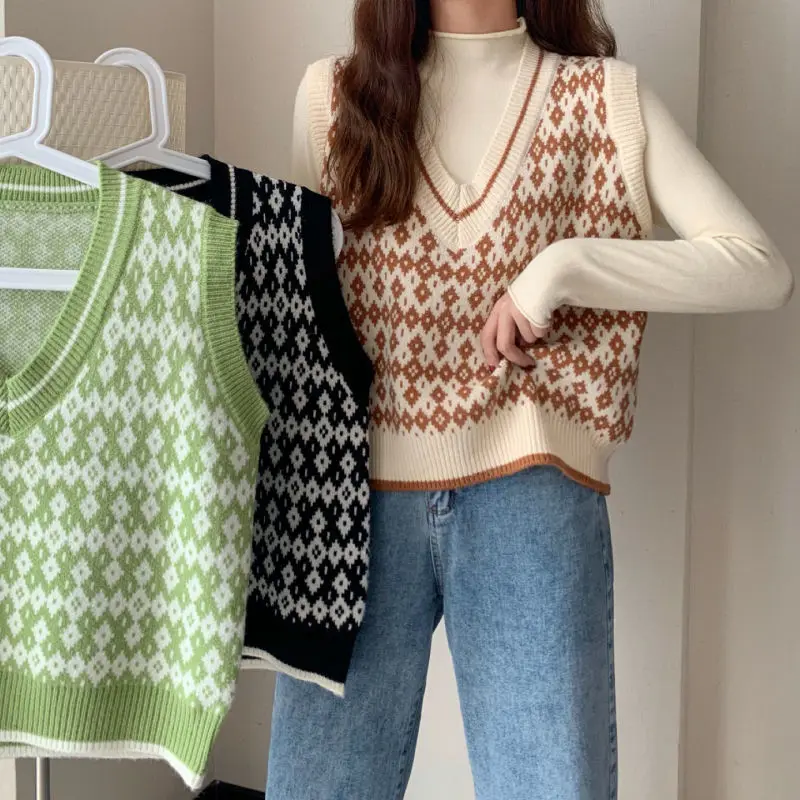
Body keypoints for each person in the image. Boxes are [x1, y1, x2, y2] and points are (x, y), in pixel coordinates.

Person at [267, 1, 793, 798]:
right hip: (347, 504)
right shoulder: (332, 99)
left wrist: (564, 267)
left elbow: (758, 268)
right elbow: (294, 319)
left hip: (532, 496)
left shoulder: (604, 99)